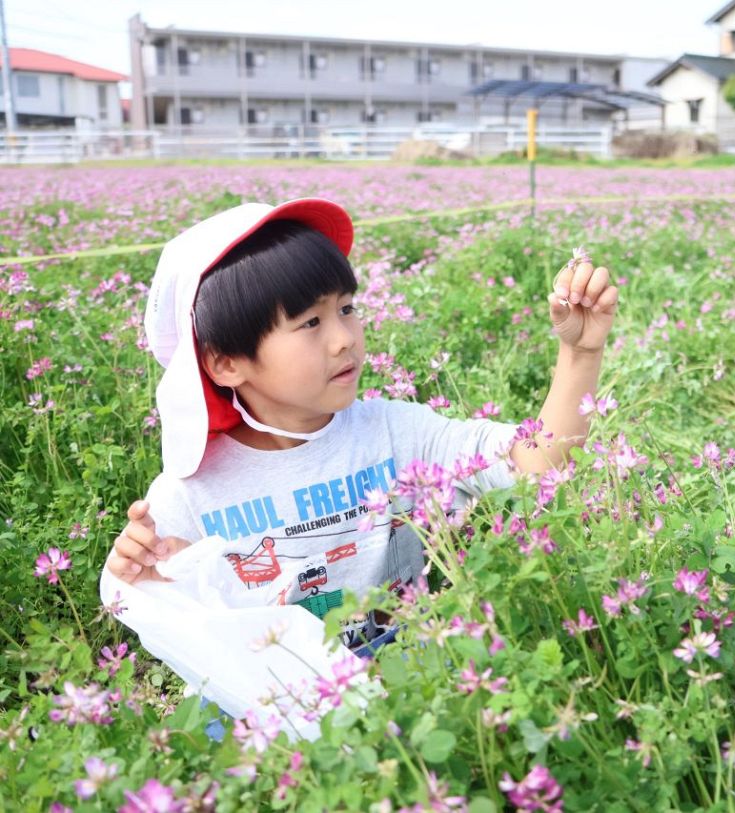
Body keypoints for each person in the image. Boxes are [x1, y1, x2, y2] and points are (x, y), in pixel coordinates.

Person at [104, 198, 617, 649]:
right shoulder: (187, 495)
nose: (344, 337)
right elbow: (167, 619)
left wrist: (579, 352)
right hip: (281, 712)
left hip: (415, 682)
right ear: (226, 363)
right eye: (310, 322)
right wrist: (141, 575)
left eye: (347, 309)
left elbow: (536, 463)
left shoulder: (397, 434)